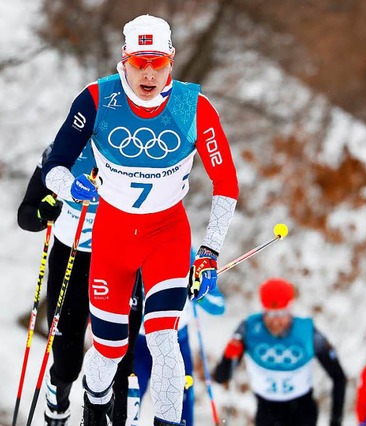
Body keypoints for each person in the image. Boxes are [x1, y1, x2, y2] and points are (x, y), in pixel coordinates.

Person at [41, 14, 239, 426]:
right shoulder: (96, 100)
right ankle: (93, 414)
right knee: (109, 348)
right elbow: (55, 165)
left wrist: (208, 252)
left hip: (166, 236)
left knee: (164, 339)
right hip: (111, 239)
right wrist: (70, 187)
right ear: (124, 61)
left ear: (171, 61)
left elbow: (226, 184)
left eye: (157, 62)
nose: (148, 72)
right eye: (139, 61)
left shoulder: (193, 107)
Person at [17, 143, 144, 426]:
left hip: (117, 262)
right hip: (70, 260)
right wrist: (42, 214)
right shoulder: (61, 152)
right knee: (67, 362)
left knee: (122, 357)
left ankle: (118, 419)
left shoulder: (134, 150)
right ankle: (57, 407)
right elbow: (26, 214)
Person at [213, 278, 346, 426]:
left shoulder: (308, 332)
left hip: (302, 411)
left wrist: (336, 421)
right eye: (270, 314)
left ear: (290, 309)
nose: (275, 321)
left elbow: (339, 377)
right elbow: (220, 377)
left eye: (281, 314)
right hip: (267, 411)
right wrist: (228, 356)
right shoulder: (249, 329)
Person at [134, 271, 227, 426]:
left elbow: (219, 306)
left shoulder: (188, 256)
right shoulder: (135, 249)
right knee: (129, 399)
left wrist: (198, 293)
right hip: (140, 344)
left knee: (180, 402)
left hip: (177, 343)